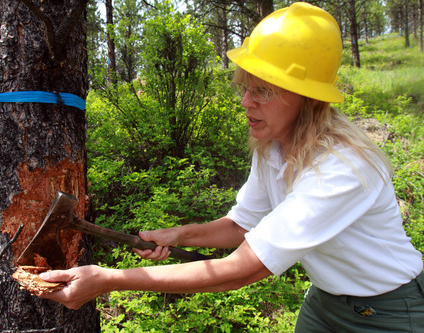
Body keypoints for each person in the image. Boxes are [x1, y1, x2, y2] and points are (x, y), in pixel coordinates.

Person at [40, 3, 424, 331]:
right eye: (245, 87)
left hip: (390, 311)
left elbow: (243, 269)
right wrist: (180, 234)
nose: (246, 102)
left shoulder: (342, 167)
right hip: (325, 301)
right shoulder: (272, 147)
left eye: (263, 91)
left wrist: (107, 280)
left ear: (308, 99)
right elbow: (242, 225)